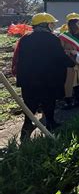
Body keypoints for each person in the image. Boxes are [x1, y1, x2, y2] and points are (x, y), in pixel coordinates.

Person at [12, 13, 75, 141]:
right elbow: (59, 57)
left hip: (28, 79)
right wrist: (71, 62)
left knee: (30, 104)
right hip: (47, 78)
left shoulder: (25, 38)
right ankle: (51, 124)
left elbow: (18, 57)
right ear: (45, 25)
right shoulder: (52, 39)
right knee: (49, 102)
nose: (53, 26)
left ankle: (26, 128)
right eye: (51, 24)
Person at [59, 13, 79, 108]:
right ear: (73, 24)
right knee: (70, 82)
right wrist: (70, 51)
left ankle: (78, 100)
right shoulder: (64, 36)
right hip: (70, 63)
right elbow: (60, 50)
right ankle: (68, 101)